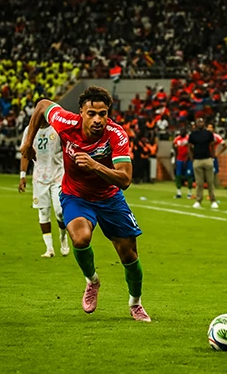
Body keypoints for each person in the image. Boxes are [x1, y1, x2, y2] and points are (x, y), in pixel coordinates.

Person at [21, 86, 151, 322]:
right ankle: (92, 281)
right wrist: (28, 143)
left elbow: (125, 179)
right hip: (76, 195)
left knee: (129, 255)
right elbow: (41, 106)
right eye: (92, 113)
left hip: (110, 198)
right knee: (80, 238)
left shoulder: (116, 134)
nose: (98, 119)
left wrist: (95, 165)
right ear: (81, 112)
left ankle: (135, 303)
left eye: (103, 114)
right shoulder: (65, 122)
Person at [19, 117, 70, 258]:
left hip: (58, 176)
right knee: (43, 212)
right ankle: (49, 249)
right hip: (39, 178)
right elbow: (25, 152)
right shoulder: (29, 130)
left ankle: (63, 236)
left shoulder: (57, 128)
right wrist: (22, 175)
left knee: (60, 212)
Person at [188, 118, 219, 209]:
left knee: (210, 182)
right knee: (199, 183)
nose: (200, 123)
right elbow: (189, 147)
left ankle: (213, 200)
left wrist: (212, 156)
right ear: (196, 124)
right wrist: (192, 158)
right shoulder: (193, 135)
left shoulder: (209, 134)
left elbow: (212, 145)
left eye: (201, 122)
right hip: (197, 160)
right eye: (198, 122)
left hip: (207, 159)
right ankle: (198, 200)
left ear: (204, 123)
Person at [172, 129, 193, 199]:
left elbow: (191, 149)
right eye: (181, 131)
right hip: (179, 159)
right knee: (178, 176)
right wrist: (176, 161)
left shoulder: (189, 138)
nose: (181, 133)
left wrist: (188, 159)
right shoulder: (176, 139)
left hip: (188, 160)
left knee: (189, 176)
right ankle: (179, 193)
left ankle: (189, 193)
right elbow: (175, 150)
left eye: (183, 131)